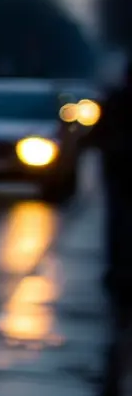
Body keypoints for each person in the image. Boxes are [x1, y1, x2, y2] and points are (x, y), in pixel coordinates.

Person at [92, 61, 132, 291]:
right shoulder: (115, 100)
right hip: (119, 167)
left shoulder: (116, 100)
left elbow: (100, 133)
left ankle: (118, 269)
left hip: (118, 169)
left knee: (118, 221)